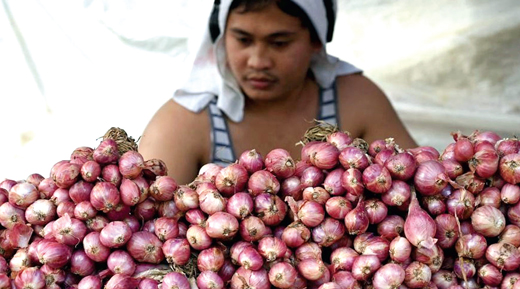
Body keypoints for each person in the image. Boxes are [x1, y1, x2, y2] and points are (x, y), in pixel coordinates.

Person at [139, 0, 417, 185]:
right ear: (222, 36)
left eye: (279, 43)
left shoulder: (356, 101)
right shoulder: (186, 121)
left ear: (317, 41)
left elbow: (417, 181)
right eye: (243, 40)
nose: (258, 61)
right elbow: (147, 220)